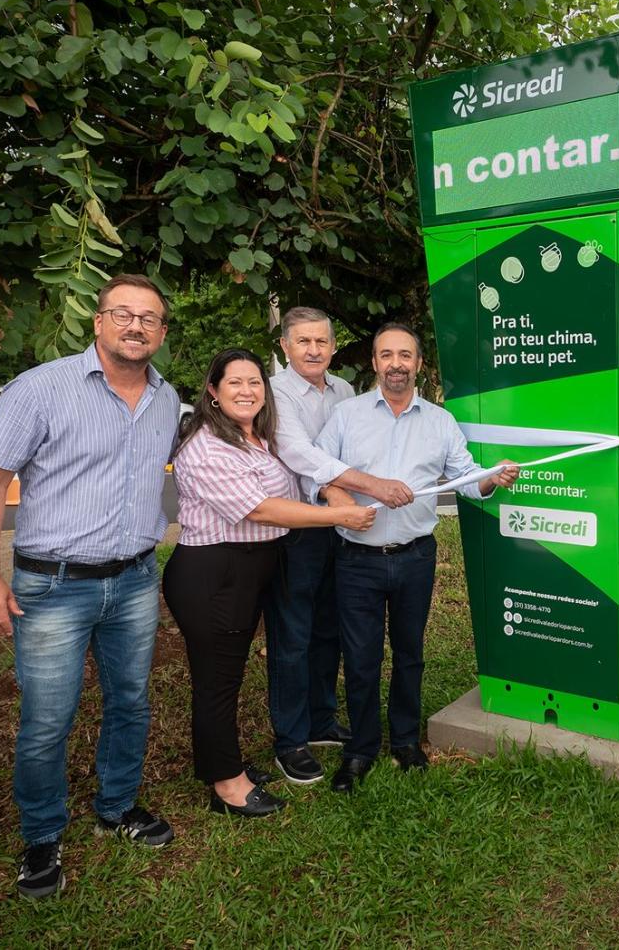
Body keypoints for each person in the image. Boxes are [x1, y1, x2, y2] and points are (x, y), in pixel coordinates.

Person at [0, 273, 181, 900]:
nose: (136, 326)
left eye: (149, 318)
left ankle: (117, 808)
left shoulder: (166, 397)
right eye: (123, 314)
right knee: (46, 720)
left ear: (162, 333)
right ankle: (41, 836)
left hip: (137, 578)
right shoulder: (42, 388)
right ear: (98, 321)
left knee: (131, 701)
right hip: (53, 586)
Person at [165, 348, 376, 818]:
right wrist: (337, 515)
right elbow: (259, 508)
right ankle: (228, 786)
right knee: (217, 681)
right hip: (214, 572)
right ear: (213, 393)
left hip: (253, 565)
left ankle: (226, 765)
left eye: (255, 382)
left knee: (229, 675)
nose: (246, 391)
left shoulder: (257, 438)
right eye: (235, 383)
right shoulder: (206, 445)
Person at [315, 322, 519, 793]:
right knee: (362, 659)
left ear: (419, 364)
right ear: (374, 363)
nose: (396, 364)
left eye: (405, 355)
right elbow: (318, 469)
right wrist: (337, 499)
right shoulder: (347, 416)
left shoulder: (440, 422)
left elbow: (466, 479)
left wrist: (492, 478)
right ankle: (361, 749)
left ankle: (405, 741)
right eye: (387, 355)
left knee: (410, 655)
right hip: (357, 560)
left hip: (414, 558)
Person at [262, 306, 415, 787]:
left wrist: (344, 499)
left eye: (321, 342)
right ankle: (290, 739)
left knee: (330, 627)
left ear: (332, 346)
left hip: (345, 530)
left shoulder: (345, 391)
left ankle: (321, 717)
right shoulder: (275, 392)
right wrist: (346, 489)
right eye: (303, 342)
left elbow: (341, 452)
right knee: (293, 634)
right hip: (297, 526)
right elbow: (300, 454)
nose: (313, 350)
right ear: (284, 346)